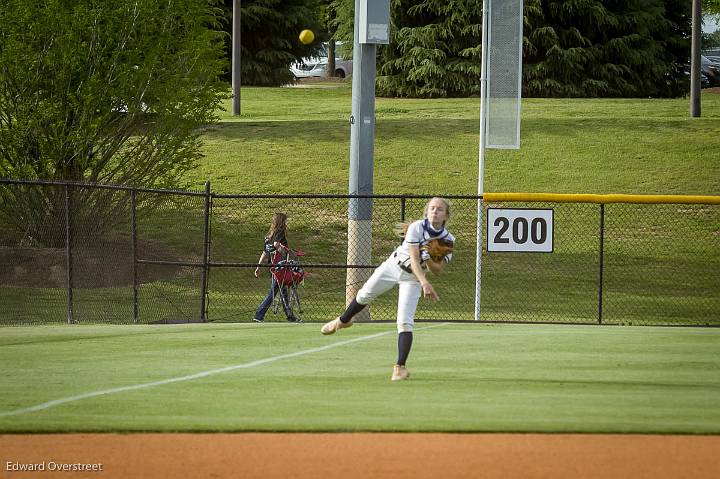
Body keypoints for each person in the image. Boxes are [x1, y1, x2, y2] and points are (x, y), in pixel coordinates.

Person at [321, 197, 455, 381]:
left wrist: (430, 256)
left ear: (446, 215)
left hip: (412, 279)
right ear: (426, 211)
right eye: (432, 208)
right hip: (394, 266)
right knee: (364, 294)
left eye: (439, 209)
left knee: (405, 322)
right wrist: (425, 281)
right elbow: (414, 260)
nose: (435, 211)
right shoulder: (417, 227)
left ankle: (399, 368)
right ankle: (343, 320)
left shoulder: (447, 239)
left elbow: (438, 270)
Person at [253, 212, 298, 323]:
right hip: (280, 266)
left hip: (273, 266)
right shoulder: (280, 232)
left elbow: (265, 253)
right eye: (285, 221)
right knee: (274, 291)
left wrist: (258, 267)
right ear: (281, 222)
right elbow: (277, 245)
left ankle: (290, 315)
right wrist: (288, 252)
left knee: (283, 291)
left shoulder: (269, 237)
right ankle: (259, 314)